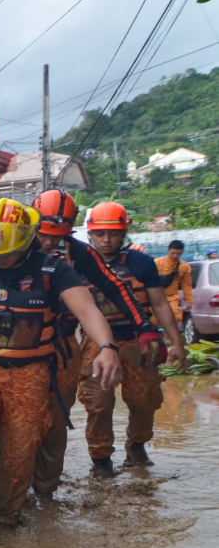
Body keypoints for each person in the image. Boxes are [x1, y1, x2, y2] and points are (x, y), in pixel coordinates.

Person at [0, 199, 124, 548]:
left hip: (32, 372)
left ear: (26, 239)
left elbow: (87, 311)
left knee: (19, 453)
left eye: (5, 250)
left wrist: (107, 347)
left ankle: (8, 516)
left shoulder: (53, 270)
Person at [30, 189, 160, 496]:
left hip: (61, 345)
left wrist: (144, 325)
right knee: (21, 419)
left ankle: (49, 491)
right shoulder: (14, 247)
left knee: (59, 419)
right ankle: (13, 487)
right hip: (14, 349)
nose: (48, 243)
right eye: (44, 235)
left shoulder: (78, 254)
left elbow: (114, 287)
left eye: (57, 236)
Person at [78, 202, 187, 473]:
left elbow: (160, 304)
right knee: (98, 403)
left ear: (123, 232)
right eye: (100, 234)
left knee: (144, 400)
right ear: (90, 234)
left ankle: (137, 445)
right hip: (98, 343)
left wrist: (176, 343)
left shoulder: (141, 263)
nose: (106, 239)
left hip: (139, 341)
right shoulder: (78, 264)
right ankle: (101, 459)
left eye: (113, 233)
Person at [156, 240, 193, 326]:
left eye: (178, 253)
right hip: (156, 297)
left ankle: (167, 336)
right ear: (167, 251)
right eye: (173, 253)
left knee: (176, 317)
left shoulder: (184, 266)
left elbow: (186, 285)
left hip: (172, 297)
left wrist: (189, 301)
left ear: (182, 252)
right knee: (155, 320)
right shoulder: (157, 263)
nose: (175, 255)